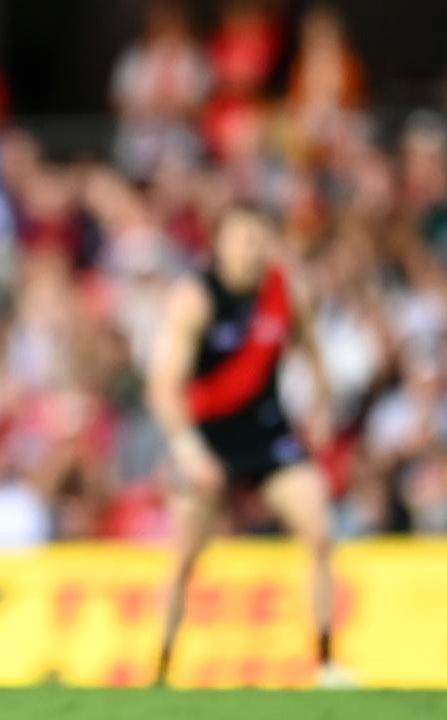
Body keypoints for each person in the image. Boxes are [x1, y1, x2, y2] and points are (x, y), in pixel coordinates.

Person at [147, 205, 347, 687]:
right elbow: (162, 385)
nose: (250, 251)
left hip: (268, 437)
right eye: (240, 240)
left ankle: (325, 664)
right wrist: (190, 452)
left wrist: (321, 407)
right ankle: (161, 670)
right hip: (207, 443)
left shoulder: (282, 290)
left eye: (258, 240)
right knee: (183, 561)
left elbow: (313, 351)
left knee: (320, 535)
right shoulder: (195, 297)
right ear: (219, 245)